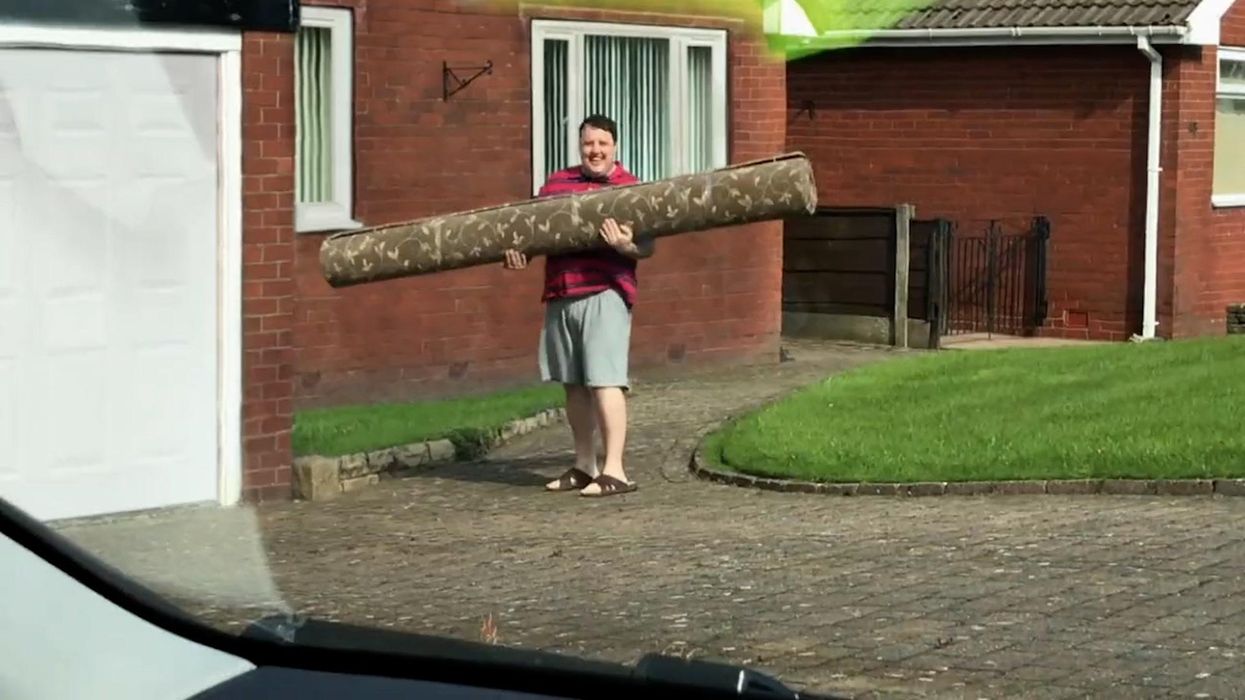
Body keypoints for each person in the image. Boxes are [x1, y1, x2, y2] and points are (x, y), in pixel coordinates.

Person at [502, 114, 654, 498]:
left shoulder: (629, 188)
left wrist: (623, 246)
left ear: (615, 146)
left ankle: (615, 469)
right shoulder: (557, 184)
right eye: (589, 144)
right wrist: (516, 252)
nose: (595, 150)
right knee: (573, 385)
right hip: (561, 292)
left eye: (603, 143)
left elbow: (647, 246)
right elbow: (528, 232)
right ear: (580, 146)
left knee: (605, 381)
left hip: (605, 291)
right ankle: (585, 465)